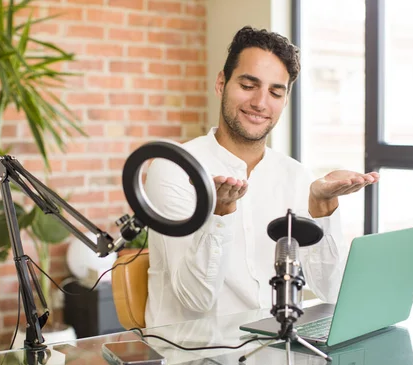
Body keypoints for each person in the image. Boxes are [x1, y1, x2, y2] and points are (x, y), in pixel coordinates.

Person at [143, 26, 379, 327]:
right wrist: (220, 214)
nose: (260, 103)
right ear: (221, 84)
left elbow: (331, 291)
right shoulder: (175, 168)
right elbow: (196, 299)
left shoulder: (296, 176)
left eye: (275, 92)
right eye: (248, 85)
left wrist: (323, 207)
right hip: (193, 359)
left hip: (274, 355)